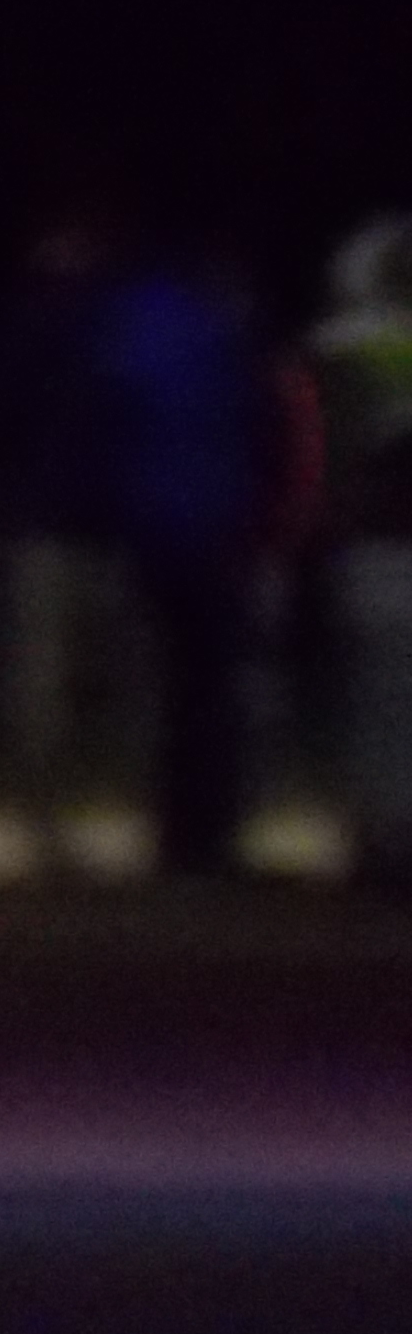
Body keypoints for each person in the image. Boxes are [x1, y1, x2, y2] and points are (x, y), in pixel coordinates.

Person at [96, 237, 271, 881]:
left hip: (152, 530)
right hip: (205, 529)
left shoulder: (133, 324)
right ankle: (204, 836)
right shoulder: (213, 331)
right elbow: (244, 423)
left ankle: (178, 834)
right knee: (210, 691)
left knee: (175, 692)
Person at [0, 212, 139, 875]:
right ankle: (38, 826)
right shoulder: (29, 331)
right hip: (42, 530)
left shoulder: (112, 331)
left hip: (100, 528)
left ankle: (67, 823)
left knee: (90, 685)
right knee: (41, 685)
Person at [309, 217, 412, 891]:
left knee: (377, 701)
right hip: (378, 549)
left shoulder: (343, 346)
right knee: (383, 699)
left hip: (370, 551)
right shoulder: (354, 347)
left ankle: (379, 836)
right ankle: (382, 837)